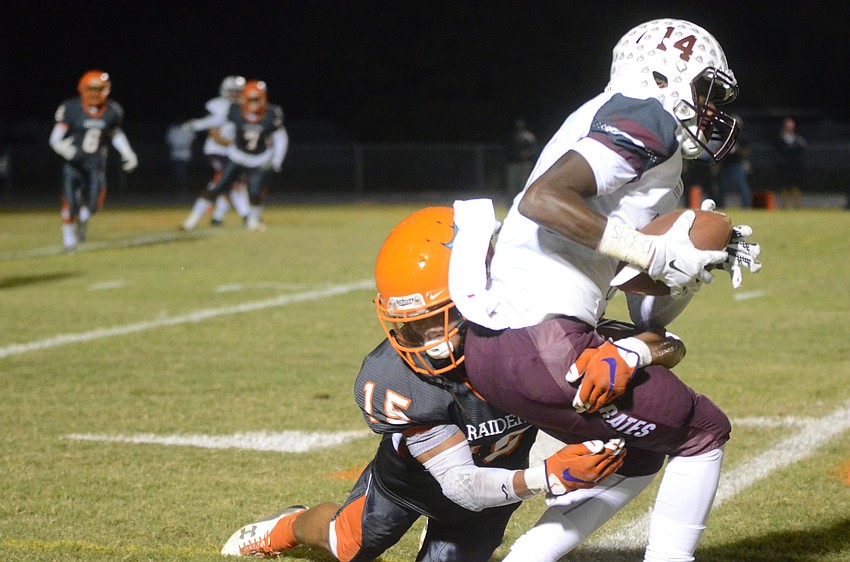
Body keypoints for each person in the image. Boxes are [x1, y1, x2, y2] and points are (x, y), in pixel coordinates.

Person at [447, 18, 762, 562]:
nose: (712, 110)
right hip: (542, 337)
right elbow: (543, 200)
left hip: (496, 346)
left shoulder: (648, 153)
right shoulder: (646, 115)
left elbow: (647, 314)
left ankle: (530, 557)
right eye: (705, 91)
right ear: (664, 76)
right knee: (704, 430)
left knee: (635, 454)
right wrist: (651, 252)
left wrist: (689, 264)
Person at [220, 207, 629, 560]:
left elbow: (664, 343)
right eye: (415, 327)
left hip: (496, 484)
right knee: (347, 546)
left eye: (442, 319)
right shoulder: (396, 378)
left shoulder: (539, 330)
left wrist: (633, 354)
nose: (432, 345)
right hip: (412, 481)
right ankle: (288, 526)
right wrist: (545, 476)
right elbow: (461, 484)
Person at [48, 70, 138, 252]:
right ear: (83, 89)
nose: (95, 93)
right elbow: (55, 139)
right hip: (73, 163)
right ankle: (69, 241)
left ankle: (83, 218)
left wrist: (128, 152)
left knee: (95, 205)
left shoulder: (112, 110)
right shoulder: (71, 108)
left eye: (99, 88)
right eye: (92, 88)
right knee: (69, 202)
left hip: (96, 163)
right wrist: (64, 149)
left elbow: (115, 133)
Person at [181, 80, 288, 231]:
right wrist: (196, 125)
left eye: (256, 99)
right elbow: (216, 120)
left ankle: (252, 221)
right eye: (250, 99)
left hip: (259, 159)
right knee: (217, 187)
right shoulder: (235, 110)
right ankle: (191, 220)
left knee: (255, 192)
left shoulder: (271, 114)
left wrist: (277, 160)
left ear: (263, 98)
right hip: (237, 156)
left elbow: (281, 138)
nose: (253, 103)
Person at [184, 75, 251, 225]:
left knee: (226, 184)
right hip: (217, 150)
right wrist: (237, 144)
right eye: (232, 91)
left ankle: (216, 217)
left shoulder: (243, 107)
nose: (235, 94)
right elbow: (214, 134)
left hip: (233, 152)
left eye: (238, 91)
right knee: (230, 181)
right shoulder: (216, 105)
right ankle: (246, 216)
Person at [717, 114, 752, 208]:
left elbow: (745, 152)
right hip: (725, 164)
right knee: (723, 187)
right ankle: (721, 206)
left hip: (737, 164)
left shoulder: (742, 138)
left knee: (742, 186)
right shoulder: (725, 136)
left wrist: (736, 150)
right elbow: (720, 150)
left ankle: (746, 206)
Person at [774, 116, 806, 209]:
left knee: (795, 185)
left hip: (795, 165)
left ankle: (797, 204)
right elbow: (777, 151)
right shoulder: (780, 138)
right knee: (784, 185)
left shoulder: (798, 139)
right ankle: (784, 204)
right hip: (784, 165)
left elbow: (801, 151)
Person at [505, 118, 539, 197]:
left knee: (523, 184)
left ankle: (521, 201)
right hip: (513, 163)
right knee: (512, 185)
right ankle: (511, 203)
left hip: (525, 164)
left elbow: (534, 150)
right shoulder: (512, 137)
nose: (519, 128)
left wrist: (527, 154)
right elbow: (508, 150)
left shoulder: (529, 137)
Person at [165, 117, 196, 200]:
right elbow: (168, 142)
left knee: (181, 172)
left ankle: (183, 189)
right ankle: (180, 189)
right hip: (175, 154)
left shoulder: (187, 129)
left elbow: (192, 141)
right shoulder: (172, 130)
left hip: (185, 154)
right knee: (178, 172)